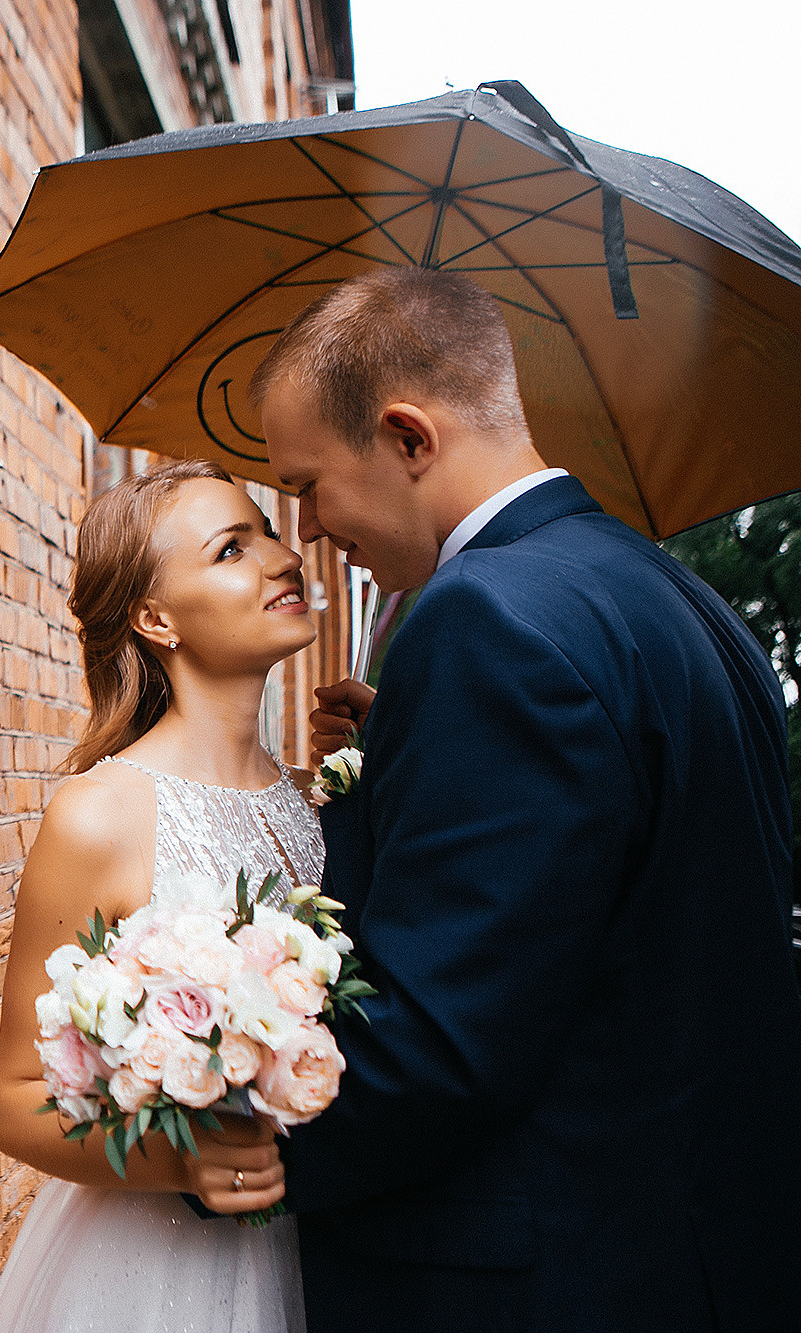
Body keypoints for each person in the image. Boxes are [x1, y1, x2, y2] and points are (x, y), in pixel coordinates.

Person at [254, 267, 801, 1332]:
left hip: (546, 1277)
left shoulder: (484, 621)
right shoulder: (677, 600)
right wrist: (413, 746)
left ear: (408, 438)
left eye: (307, 483)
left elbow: (436, 1048)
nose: (309, 529)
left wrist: (182, 1140)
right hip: (700, 1248)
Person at [0, 458, 321, 1332]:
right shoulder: (99, 816)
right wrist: (183, 1159)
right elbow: (17, 1100)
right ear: (155, 618)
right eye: (231, 549)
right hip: (152, 1270)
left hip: (308, 1248)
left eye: (271, 533)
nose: (282, 560)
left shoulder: (311, 803)